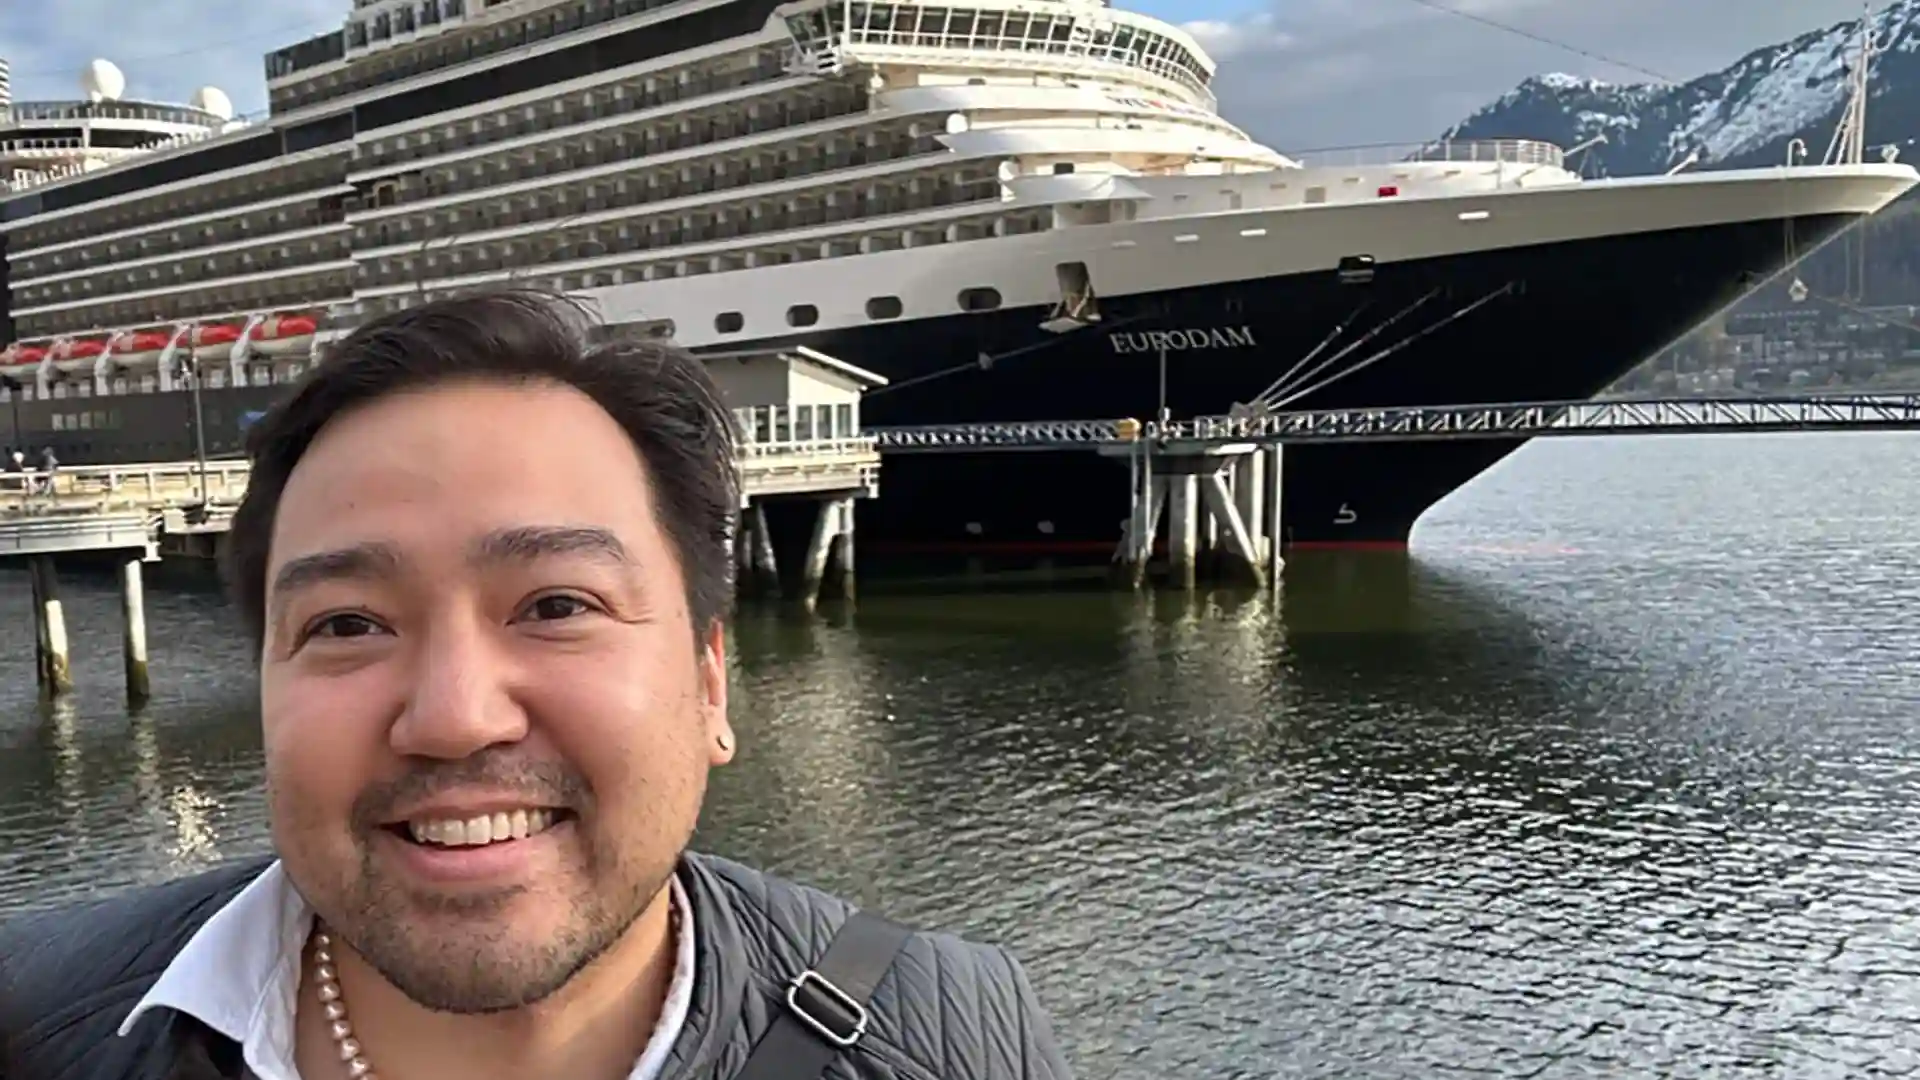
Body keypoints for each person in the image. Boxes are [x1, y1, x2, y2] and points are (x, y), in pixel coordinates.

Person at [0, 288, 1072, 1080]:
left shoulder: (953, 1032)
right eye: (347, 624)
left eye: (558, 605)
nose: (455, 718)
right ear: (267, 685)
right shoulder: (36, 1018)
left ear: (710, 681)